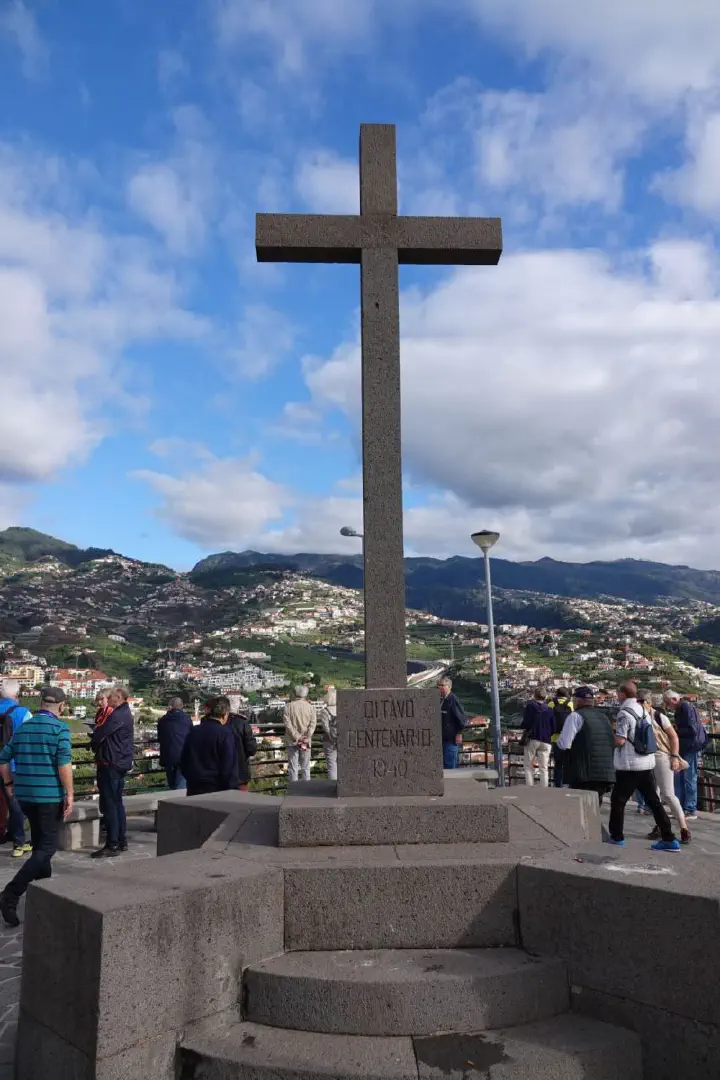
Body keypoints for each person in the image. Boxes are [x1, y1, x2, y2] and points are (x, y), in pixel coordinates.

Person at [0, 687, 73, 927]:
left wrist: (9, 783)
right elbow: (63, 765)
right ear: (61, 707)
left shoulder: (24, 728)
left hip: (25, 797)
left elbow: (3, 758)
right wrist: (70, 793)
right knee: (47, 848)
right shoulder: (60, 729)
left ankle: (45, 891)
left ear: (41, 703)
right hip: (49, 797)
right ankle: (11, 893)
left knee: (41, 845)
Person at [609, 681, 679, 851]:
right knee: (654, 802)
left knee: (618, 801)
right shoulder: (645, 710)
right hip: (646, 763)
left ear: (623, 694)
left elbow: (620, 741)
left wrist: (607, 738)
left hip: (629, 765)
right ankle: (669, 839)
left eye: (618, 693)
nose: (616, 696)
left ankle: (617, 837)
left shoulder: (624, 713)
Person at [90, 686, 134, 858]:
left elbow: (101, 733)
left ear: (120, 697)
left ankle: (112, 843)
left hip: (111, 762)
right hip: (119, 761)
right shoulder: (124, 713)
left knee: (110, 804)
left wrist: (95, 739)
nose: (110, 698)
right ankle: (121, 840)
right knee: (117, 803)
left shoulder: (117, 715)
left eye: (113, 696)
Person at [640, 694, 690, 845]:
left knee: (667, 794)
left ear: (648, 702)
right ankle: (662, 826)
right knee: (655, 796)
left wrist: (674, 756)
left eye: (641, 702)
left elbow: (673, 737)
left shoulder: (658, 716)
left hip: (661, 756)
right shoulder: (639, 716)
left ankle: (683, 828)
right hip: (647, 757)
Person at [557, 687, 616, 805]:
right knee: (595, 806)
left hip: (583, 772)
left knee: (581, 807)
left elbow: (564, 744)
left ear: (578, 700)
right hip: (605, 772)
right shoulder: (604, 717)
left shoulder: (575, 716)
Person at [0, 679, 33, 857]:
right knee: (16, 803)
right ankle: (19, 842)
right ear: (16, 694)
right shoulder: (22, 712)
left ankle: (5, 833)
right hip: (12, 764)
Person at [180, 697, 239, 796]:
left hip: (194, 787)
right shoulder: (225, 734)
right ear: (225, 715)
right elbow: (229, 766)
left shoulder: (194, 731)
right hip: (216, 790)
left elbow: (183, 759)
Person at [663, 691, 707, 821]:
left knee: (688, 778)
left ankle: (689, 809)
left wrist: (675, 731)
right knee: (681, 778)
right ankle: (681, 808)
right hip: (684, 747)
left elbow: (691, 729)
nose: (666, 705)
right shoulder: (682, 708)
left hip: (690, 747)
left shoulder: (685, 708)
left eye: (667, 702)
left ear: (674, 699)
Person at [221, 696, 257, 791]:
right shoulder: (243, 723)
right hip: (240, 772)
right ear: (238, 707)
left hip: (222, 772)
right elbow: (251, 749)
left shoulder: (220, 723)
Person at [157, 696, 192, 791]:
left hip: (168, 755)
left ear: (170, 707)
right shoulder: (187, 720)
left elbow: (160, 737)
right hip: (183, 757)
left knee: (172, 784)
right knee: (181, 787)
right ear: (182, 706)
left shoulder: (163, 720)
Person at [521, 688, 554, 787]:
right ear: (545, 697)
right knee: (543, 767)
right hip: (546, 740)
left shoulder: (530, 707)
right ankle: (544, 789)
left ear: (534, 696)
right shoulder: (549, 710)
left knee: (528, 765)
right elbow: (554, 727)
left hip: (533, 738)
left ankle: (530, 788)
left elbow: (526, 723)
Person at [283, 686, 317, 783]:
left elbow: (287, 724)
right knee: (306, 767)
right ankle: (307, 791)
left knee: (293, 768)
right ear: (305, 694)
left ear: (295, 693)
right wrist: (307, 736)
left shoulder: (288, 707)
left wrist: (297, 737)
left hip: (292, 740)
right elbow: (313, 724)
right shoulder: (311, 707)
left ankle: (294, 792)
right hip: (306, 742)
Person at [438, 678, 468, 769]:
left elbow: (462, 719)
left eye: (442, 685)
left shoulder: (452, 699)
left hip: (450, 740)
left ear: (449, 687)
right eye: (438, 685)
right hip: (444, 739)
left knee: (449, 767)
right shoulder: (443, 699)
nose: (439, 688)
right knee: (447, 765)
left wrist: (459, 733)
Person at [549, 688, 572, 788]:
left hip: (555, 737)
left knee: (557, 763)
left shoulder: (551, 704)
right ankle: (567, 784)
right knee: (567, 763)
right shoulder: (570, 704)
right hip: (567, 737)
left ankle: (557, 784)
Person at [319, 686, 338, 781]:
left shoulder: (324, 711)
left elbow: (325, 728)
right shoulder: (343, 709)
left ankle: (334, 786)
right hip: (342, 740)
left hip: (329, 741)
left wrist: (332, 738)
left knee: (331, 765)